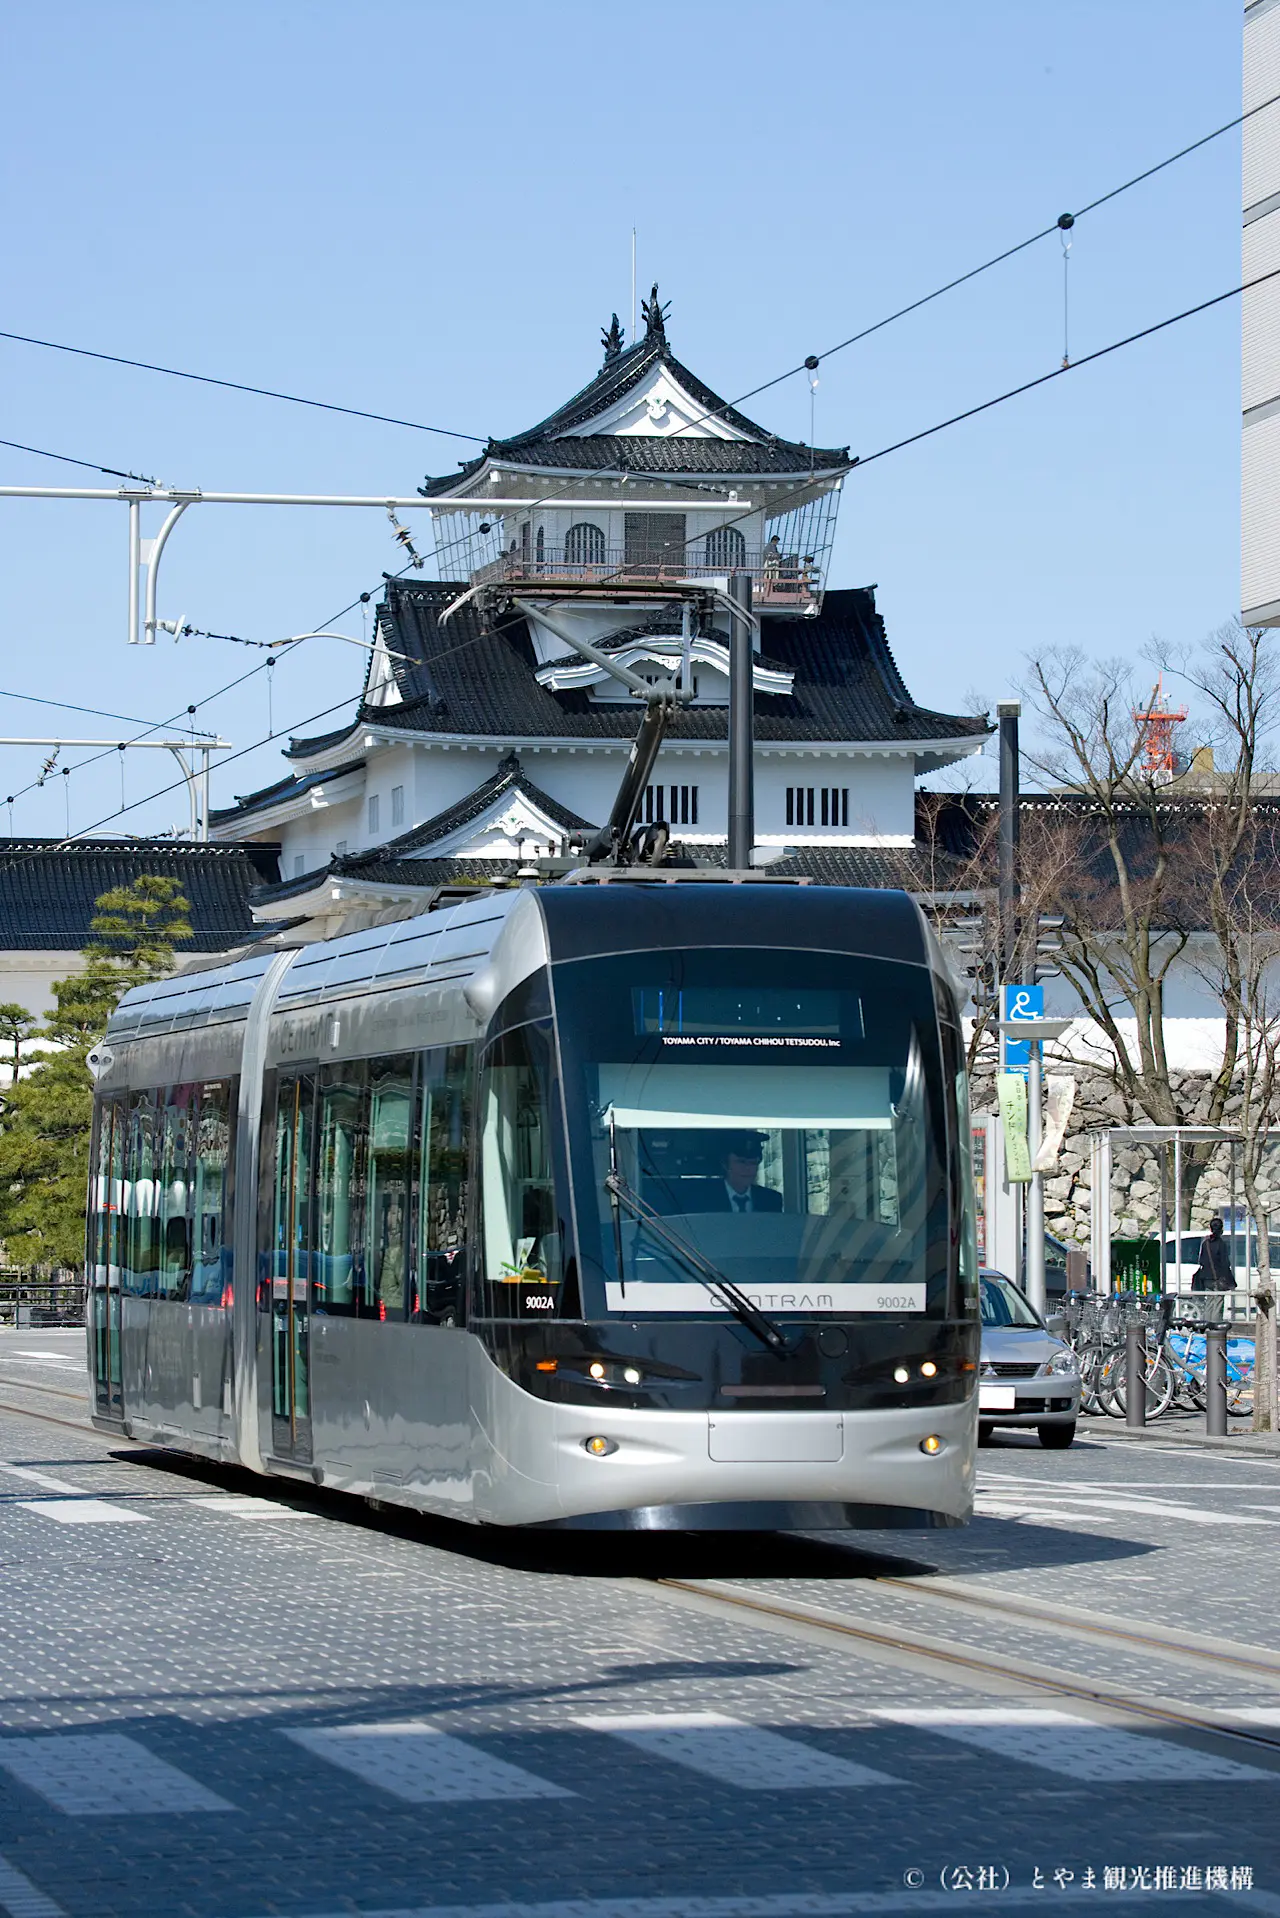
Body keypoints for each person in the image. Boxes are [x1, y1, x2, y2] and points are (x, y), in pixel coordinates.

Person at [687, 1131, 782, 1213]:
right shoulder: (704, 1198)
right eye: (741, 1162)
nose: (747, 1168)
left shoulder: (771, 1199)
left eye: (753, 1163)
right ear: (725, 1164)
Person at [1191, 1216, 1233, 1321]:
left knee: (1209, 1302)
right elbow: (1225, 1263)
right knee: (1218, 1302)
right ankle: (1215, 1327)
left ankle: (1206, 1325)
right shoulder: (1221, 1244)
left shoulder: (1206, 1243)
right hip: (1218, 1278)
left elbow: (1201, 1260)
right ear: (1221, 1229)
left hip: (1206, 1278)